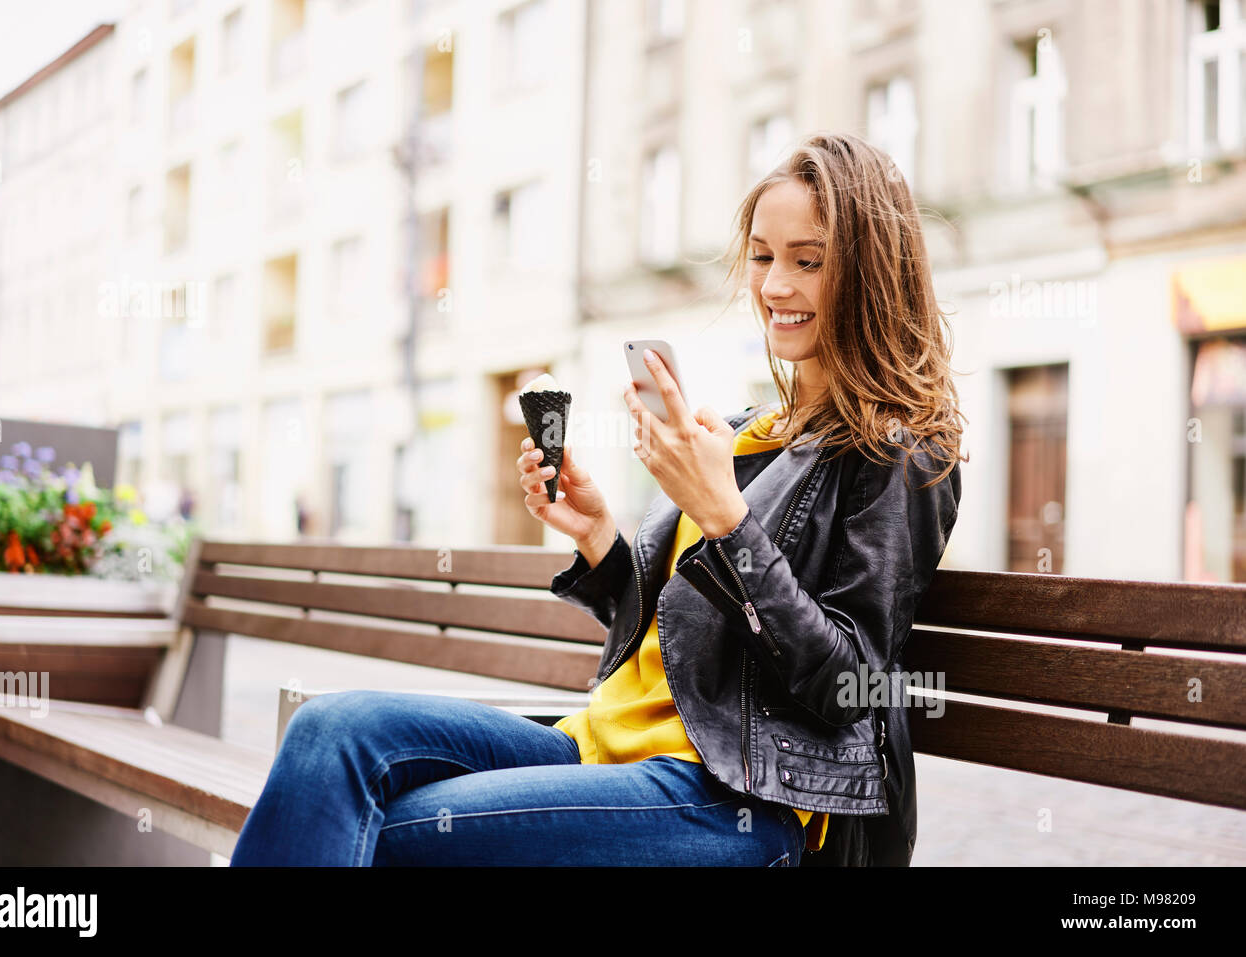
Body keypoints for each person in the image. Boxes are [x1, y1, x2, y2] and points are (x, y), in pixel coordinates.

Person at [229, 131, 965, 867]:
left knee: (387, 829)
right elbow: (685, 636)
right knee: (329, 731)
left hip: (733, 799)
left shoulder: (897, 450)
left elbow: (851, 686)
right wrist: (600, 539)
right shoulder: (747, 433)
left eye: (808, 260)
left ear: (869, 271)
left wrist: (727, 523)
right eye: (765, 257)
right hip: (598, 745)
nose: (774, 286)